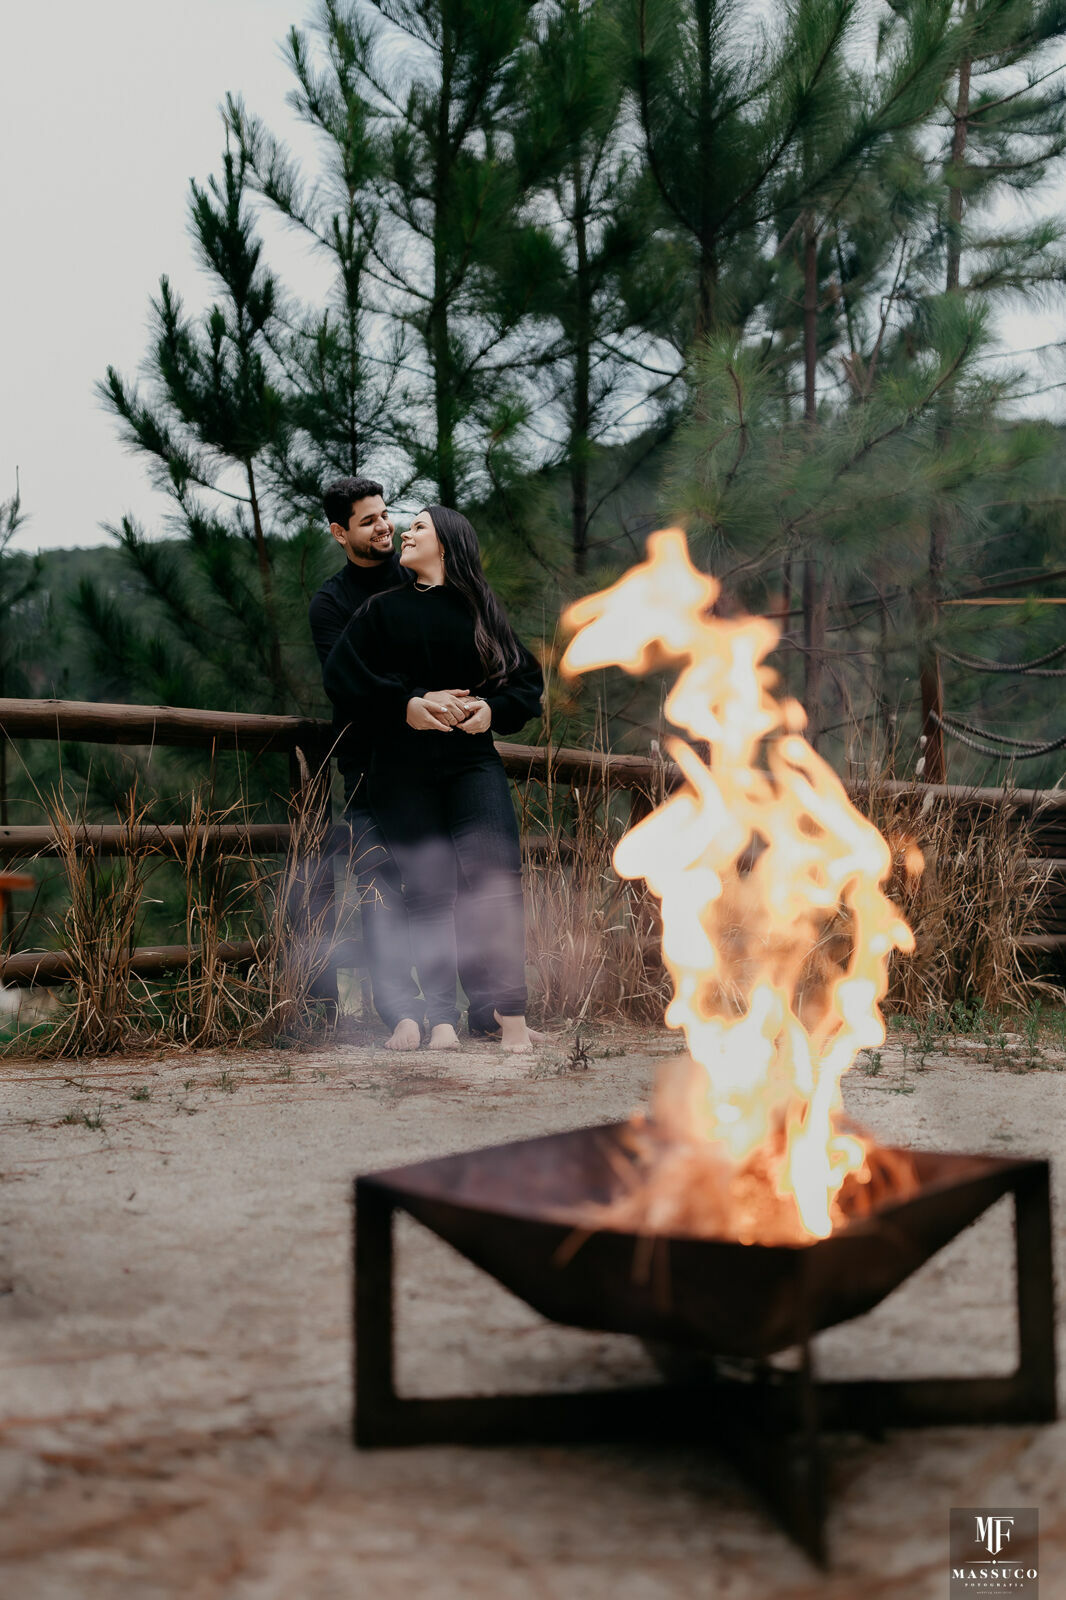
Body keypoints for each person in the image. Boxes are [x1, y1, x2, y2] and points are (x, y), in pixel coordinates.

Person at [323, 506, 543, 1052]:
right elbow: (342, 677)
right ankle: (442, 1021)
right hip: (400, 768)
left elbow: (526, 682)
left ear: (446, 543)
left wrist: (492, 711)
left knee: (496, 883)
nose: (405, 532)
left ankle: (512, 1017)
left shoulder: (482, 609)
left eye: (419, 526)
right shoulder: (380, 610)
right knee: (427, 891)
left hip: (472, 764)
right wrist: (406, 704)